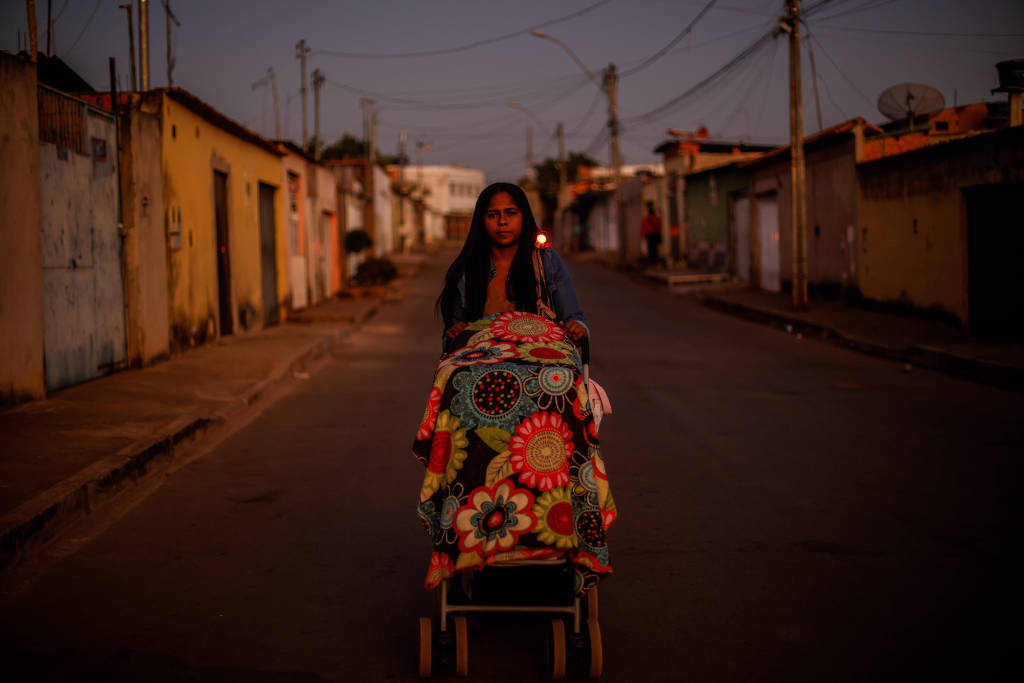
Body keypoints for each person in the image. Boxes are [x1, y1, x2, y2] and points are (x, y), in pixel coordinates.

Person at [437, 182, 588, 350]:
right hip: (480, 370)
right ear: (481, 221)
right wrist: (456, 334)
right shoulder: (466, 270)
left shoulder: (546, 261)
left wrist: (577, 328)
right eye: (493, 215)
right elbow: (450, 338)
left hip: (543, 368)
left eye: (511, 213)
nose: (502, 221)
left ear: (524, 217)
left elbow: (573, 317)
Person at [641, 201, 663, 265]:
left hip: (650, 235)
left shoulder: (647, 219)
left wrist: (644, 235)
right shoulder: (656, 219)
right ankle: (656, 260)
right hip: (656, 235)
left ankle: (652, 261)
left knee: (651, 248)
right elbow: (659, 225)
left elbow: (644, 227)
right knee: (656, 248)